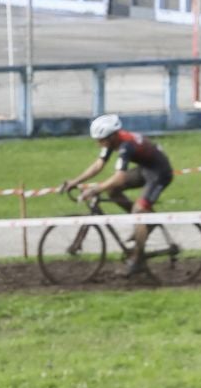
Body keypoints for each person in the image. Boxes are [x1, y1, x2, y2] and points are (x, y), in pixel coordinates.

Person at [60, 113, 174, 276]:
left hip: (160, 173)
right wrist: (75, 181)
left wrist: (95, 189)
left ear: (112, 137)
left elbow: (120, 177)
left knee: (138, 212)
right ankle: (145, 223)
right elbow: (98, 165)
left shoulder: (126, 145)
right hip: (146, 168)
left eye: (101, 140)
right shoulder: (113, 140)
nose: (99, 144)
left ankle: (138, 259)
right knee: (112, 190)